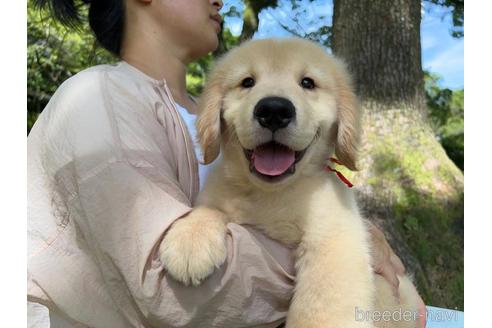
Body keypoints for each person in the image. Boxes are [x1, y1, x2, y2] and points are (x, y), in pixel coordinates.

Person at [27, 0, 426, 327]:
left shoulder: (200, 116)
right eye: (247, 83)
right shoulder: (100, 98)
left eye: (307, 84)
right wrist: (341, 248)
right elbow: (164, 288)